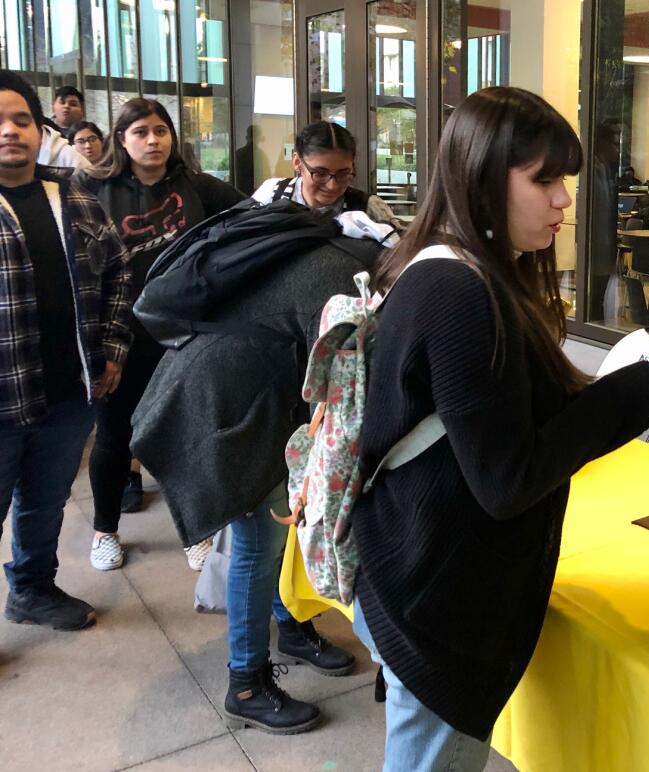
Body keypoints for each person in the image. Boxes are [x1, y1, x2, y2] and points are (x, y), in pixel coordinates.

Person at [351, 86, 649, 771]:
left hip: (414, 567)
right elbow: (507, 479)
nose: (563, 200)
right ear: (482, 175)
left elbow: (495, 420)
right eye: (543, 180)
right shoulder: (461, 293)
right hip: (437, 596)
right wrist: (637, 392)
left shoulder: (458, 269)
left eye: (565, 181)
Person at [132, 202, 384, 735]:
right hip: (224, 411)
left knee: (280, 524)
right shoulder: (341, 276)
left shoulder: (340, 253)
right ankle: (245, 684)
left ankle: (291, 624)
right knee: (258, 542)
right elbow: (349, 389)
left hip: (245, 397)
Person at [77, 98, 245, 572]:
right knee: (114, 437)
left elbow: (252, 217)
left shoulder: (194, 185)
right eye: (141, 132)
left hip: (184, 336)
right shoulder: (92, 189)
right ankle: (105, 530)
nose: (153, 140)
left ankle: (194, 529)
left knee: (186, 437)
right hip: (120, 339)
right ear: (121, 140)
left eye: (161, 131)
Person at [0, 70, 132, 631]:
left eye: (21, 119)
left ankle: (31, 589)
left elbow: (120, 271)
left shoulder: (72, 192)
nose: (10, 131)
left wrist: (114, 347)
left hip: (68, 390)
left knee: (44, 502)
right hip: (3, 397)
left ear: (40, 126)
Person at [252, 121, 397, 225]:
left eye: (343, 174)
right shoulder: (271, 195)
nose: (332, 186)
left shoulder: (370, 208)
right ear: (297, 163)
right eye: (320, 173)